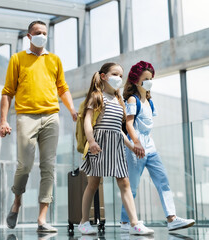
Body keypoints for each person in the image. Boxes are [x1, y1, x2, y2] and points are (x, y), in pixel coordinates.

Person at [0, 20, 77, 232]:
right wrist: (3, 120)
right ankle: (17, 201)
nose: (42, 35)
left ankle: (42, 219)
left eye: (44, 32)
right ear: (29, 36)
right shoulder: (17, 59)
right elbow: (7, 92)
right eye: (37, 32)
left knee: (48, 167)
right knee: (24, 164)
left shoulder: (54, 60)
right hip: (26, 117)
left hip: (52, 116)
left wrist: (71, 109)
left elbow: (62, 88)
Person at [78, 62, 154, 236]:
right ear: (103, 76)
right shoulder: (96, 97)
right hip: (99, 144)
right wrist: (92, 141)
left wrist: (132, 146)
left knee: (124, 182)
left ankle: (134, 223)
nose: (119, 78)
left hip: (116, 145)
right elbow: (88, 122)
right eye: (115, 74)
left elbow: (119, 130)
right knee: (93, 183)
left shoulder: (119, 100)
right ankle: (83, 222)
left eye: (121, 75)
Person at [120, 61, 195, 231]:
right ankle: (125, 221)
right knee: (131, 186)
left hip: (150, 148)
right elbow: (129, 125)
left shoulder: (149, 101)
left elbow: (149, 127)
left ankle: (172, 218)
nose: (149, 81)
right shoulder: (133, 99)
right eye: (145, 78)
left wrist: (148, 144)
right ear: (136, 80)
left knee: (163, 181)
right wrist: (136, 143)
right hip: (135, 148)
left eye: (150, 78)